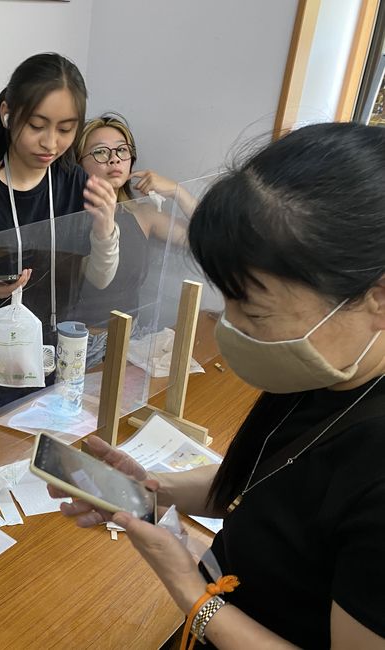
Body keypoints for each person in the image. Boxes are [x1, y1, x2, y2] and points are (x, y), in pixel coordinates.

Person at [53, 122, 385, 648]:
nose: (229, 326)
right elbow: (264, 489)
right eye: (226, 300)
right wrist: (151, 490)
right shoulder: (328, 366)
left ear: (376, 296)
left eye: (253, 311)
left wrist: (191, 591)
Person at [0, 52, 120, 432]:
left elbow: (100, 279)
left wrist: (105, 228)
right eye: (37, 125)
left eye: (65, 129)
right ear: (8, 114)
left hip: (53, 349)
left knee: (40, 450)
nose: (51, 142)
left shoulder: (75, 183)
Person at [72, 113, 197, 362]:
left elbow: (206, 237)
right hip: (79, 345)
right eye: (100, 152)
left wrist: (177, 192)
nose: (114, 158)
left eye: (122, 150)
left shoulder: (142, 213)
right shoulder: (66, 217)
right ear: (78, 163)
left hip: (131, 340)